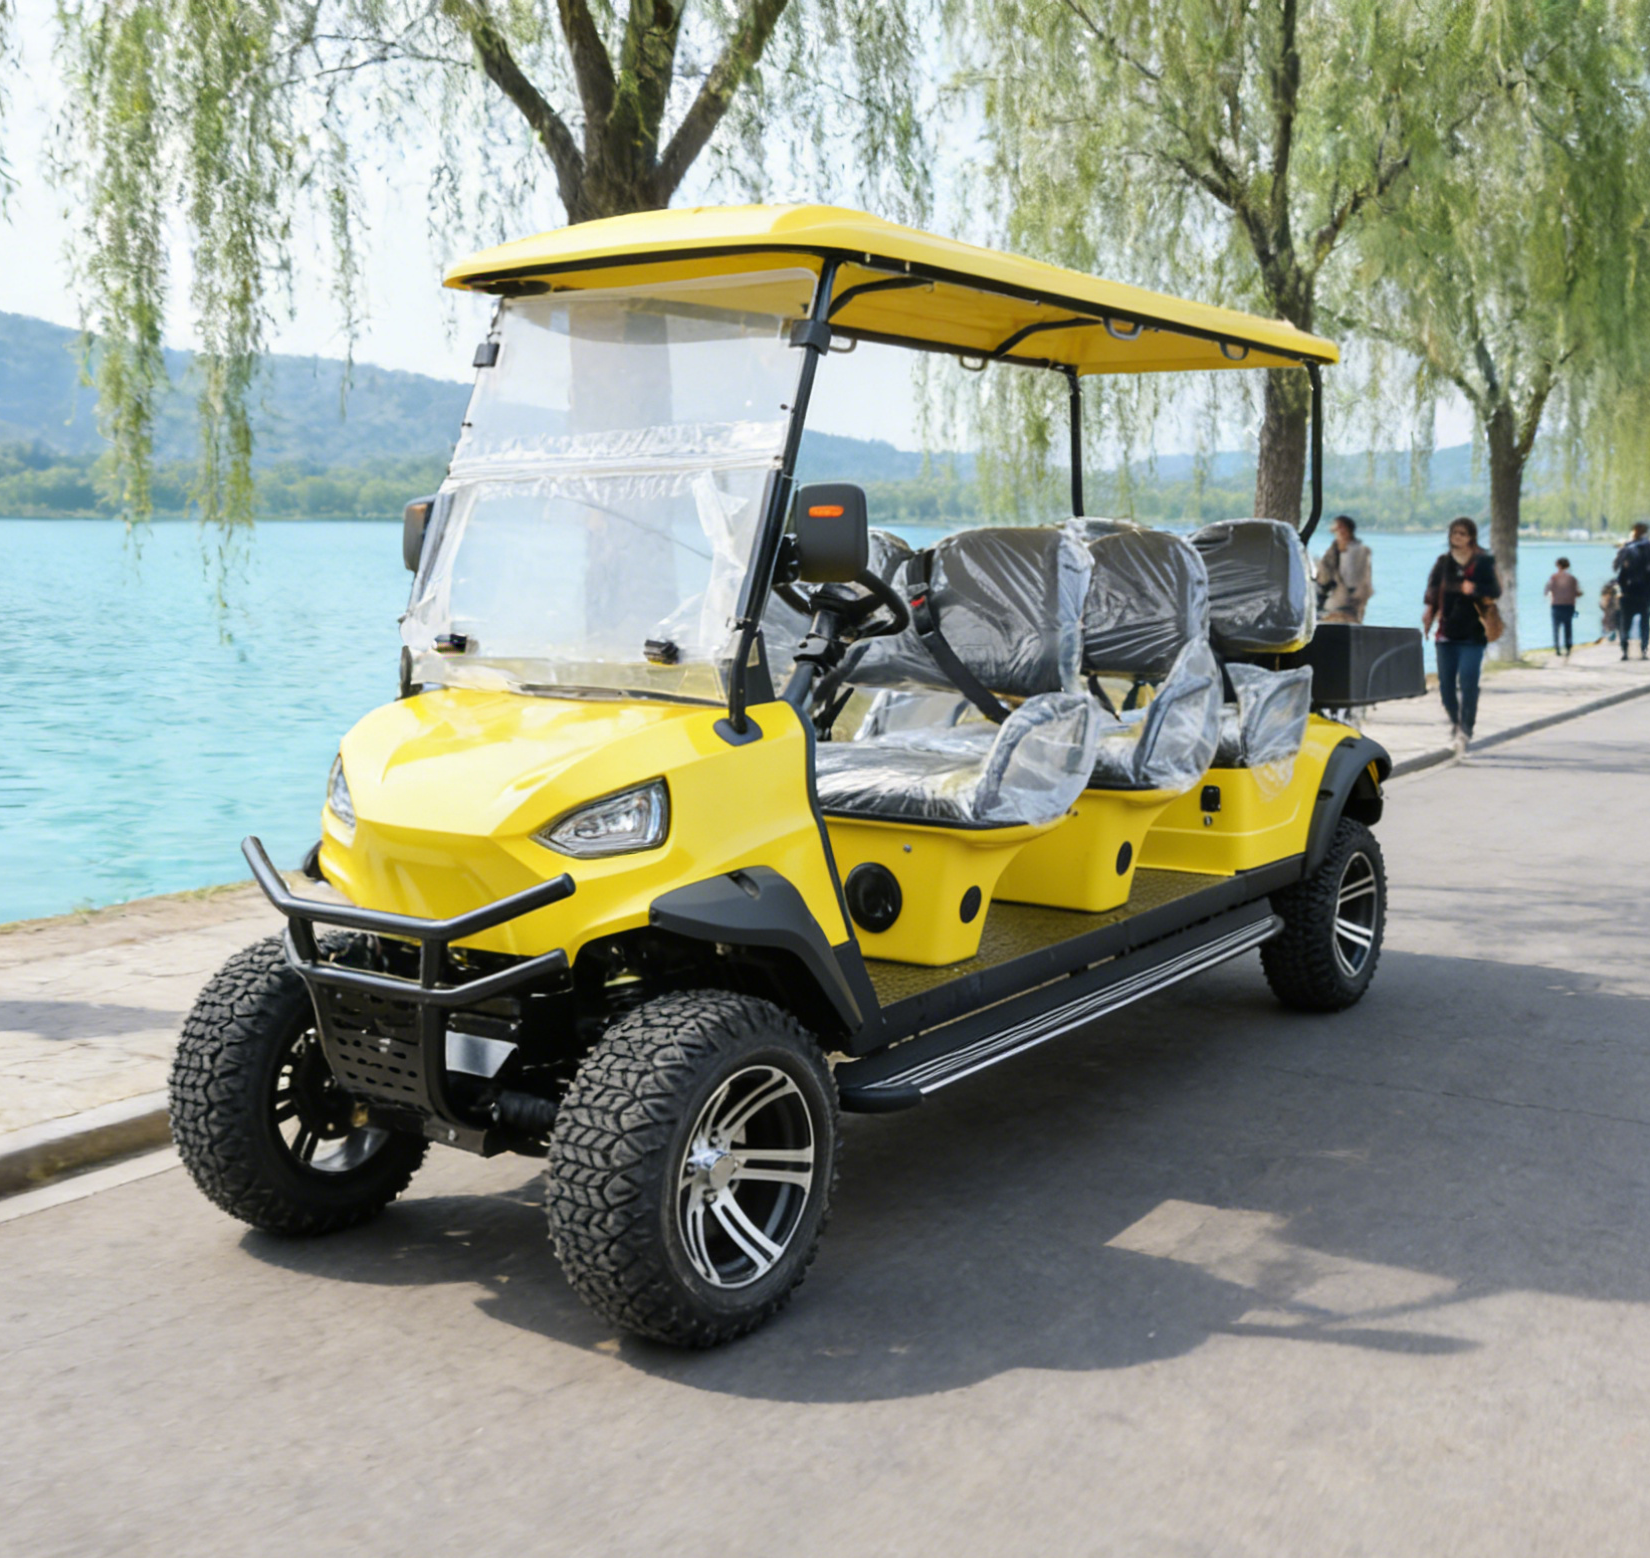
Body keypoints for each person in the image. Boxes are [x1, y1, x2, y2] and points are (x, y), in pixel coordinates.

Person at [1422, 516, 1502, 757]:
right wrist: (1428, 612)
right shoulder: (1443, 562)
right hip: (1446, 633)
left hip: (1473, 634)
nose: (1457, 537)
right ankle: (1455, 722)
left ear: (1471, 537)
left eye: (1462, 533)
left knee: (1468, 681)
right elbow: (1432, 590)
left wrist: (1474, 589)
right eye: (1454, 533)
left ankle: (1466, 728)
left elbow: (1495, 590)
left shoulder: (1483, 561)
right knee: (1446, 687)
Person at [1315, 514, 1374, 624]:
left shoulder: (1359, 551)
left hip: (1347, 607)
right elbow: (1322, 578)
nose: (1337, 532)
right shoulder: (1332, 551)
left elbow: (1353, 581)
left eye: (1340, 528)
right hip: (1330, 604)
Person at [1614, 522, 1650, 660]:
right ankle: (1643, 651)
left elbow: (1617, 569)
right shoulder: (1647, 547)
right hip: (1643, 593)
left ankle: (1625, 651)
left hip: (1627, 592)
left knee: (1625, 623)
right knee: (1644, 624)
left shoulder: (1626, 547)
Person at [1545, 557, 1582, 658]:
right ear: (1568, 566)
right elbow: (1577, 592)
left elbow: (1547, 591)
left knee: (1556, 627)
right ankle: (1568, 647)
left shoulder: (1553, 577)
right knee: (1568, 627)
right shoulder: (1572, 578)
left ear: (1557, 565)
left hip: (1556, 605)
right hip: (1569, 605)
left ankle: (1557, 648)